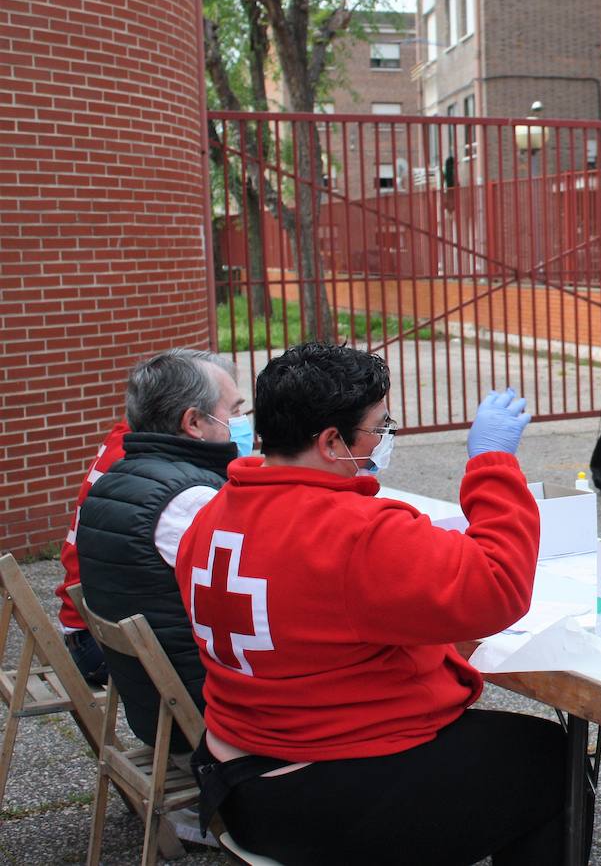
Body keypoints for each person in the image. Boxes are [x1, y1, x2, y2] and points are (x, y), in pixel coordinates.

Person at [177, 343, 565, 866]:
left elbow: (320, 619)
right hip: (320, 796)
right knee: (547, 757)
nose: (385, 439)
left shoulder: (210, 513)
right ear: (333, 441)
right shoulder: (355, 531)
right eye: (380, 427)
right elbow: (498, 586)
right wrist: (492, 463)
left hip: (234, 774)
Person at [76, 348, 248, 751]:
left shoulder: (117, 480)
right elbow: (262, 604)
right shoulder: (190, 501)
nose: (243, 424)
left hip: (151, 702)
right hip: (203, 708)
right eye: (235, 410)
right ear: (194, 422)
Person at [54, 420, 130, 687]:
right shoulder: (135, 459)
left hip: (85, 630)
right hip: (96, 643)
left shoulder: (124, 437)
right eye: (232, 410)